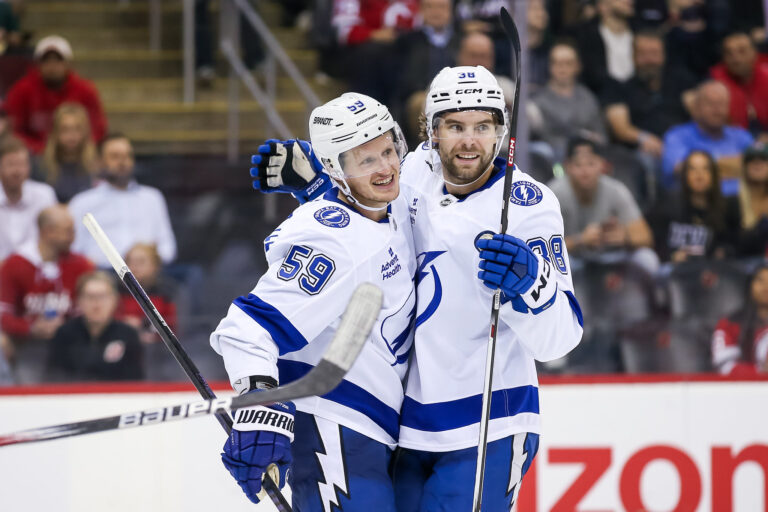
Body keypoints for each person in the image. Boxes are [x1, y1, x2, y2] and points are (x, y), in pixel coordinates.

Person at [254, 66, 584, 510]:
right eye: (455, 126)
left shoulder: (528, 204)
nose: (470, 141)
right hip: (407, 426)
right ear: (429, 129)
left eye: (483, 126)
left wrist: (532, 282)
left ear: (502, 131)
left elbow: (561, 339)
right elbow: (372, 243)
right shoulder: (408, 173)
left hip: (488, 424)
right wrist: (321, 188)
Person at [210, 93, 416, 509]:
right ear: (337, 171)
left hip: (377, 435)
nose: (386, 168)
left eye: (388, 151)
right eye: (365, 161)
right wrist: (259, 404)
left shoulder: (385, 211)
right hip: (336, 433)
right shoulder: (332, 241)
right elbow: (249, 329)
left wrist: (319, 188)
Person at [548, 136, 656, 271]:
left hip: (609, 256)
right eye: (578, 165)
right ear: (567, 167)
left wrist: (625, 236)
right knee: (554, 263)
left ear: (602, 166)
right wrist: (580, 240)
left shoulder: (616, 189)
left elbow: (646, 237)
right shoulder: (553, 194)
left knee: (646, 258)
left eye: (591, 164)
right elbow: (542, 246)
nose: (585, 171)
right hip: (572, 259)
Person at [68, 133, 177, 267]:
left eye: (127, 156)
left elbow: (168, 248)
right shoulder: (82, 202)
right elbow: (73, 250)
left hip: (147, 276)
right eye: (115, 156)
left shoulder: (152, 198)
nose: (123, 161)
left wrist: (150, 260)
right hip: (101, 273)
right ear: (100, 161)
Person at [602, 30, 697, 172]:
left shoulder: (682, 83)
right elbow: (620, 128)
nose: (649, 60)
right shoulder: (619, 88)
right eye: (643, 54)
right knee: (646, 161)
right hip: (645, 152)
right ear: (633, 57)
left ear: (664, 55)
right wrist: (643, 138)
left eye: (654, 54)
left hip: (683, 145)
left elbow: (700, 114)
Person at [0, 204, 93, 345]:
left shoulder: (81, 264)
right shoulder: (15, 264)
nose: (73, 237)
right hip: (24, 343)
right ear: (48, 232)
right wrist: (30, 327)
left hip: (71, 342)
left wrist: (66, 327)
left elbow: (89, 311)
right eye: (68, 231)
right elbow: (3, 313)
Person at [4, 35, 107, 154]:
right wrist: (40, 149)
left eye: (58, 60)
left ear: (68, 63)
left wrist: (81, 147)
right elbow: (14, 129)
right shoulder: (21, 90)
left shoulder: (86, 90)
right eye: (46, 60)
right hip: (35, 155)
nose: (52, 65)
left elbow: (98, 127)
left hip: (78, 154)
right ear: (37, 64)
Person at [47, 270, 144, 382]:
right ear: (79, 300)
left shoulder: (128, 335)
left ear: (114, 300)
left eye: (102, 296)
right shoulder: (64, 334)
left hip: (117, 397)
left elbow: (135, 381)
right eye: (90, 296)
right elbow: (55, 378)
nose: (96, 303)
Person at [662, 80, 754, 194]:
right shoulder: (677, 136)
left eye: (721, 103)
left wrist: (703, 167)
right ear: (696, 107)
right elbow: (682, 169)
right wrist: (737, 165)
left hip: (742, 206)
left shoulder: (741, 136)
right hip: (698, 206)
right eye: (710, 104)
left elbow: (758, 168)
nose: (717, 110)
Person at [649, 150, 740, 263]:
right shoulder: (667, 203)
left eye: (705, 169)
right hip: (671, 269)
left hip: (708, 272)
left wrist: (721, 253)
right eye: (693, 169)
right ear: (684, 175)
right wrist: (671, 256)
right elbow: (652, 240)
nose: (699, 175)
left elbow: (732, 246)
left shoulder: (726, 209)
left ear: (714, 175)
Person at [527, 41, 607, 163]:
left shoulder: (588, 97)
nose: (562, 69)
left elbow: (601, 136)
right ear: (550, 66)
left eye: (568, 63)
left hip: (588, 158)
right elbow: (542, 138)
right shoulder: (538, 100)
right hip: (553, 160)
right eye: (557, 63)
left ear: (578, 66)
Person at [0, 135, 56, 262]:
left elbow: (53, 238)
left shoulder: (44, 194)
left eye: (22, 164)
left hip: (36, 268)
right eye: (10, 164)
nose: (17, 171)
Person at [710, 31, 768, 140]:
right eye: (729, 53)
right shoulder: (714, 82)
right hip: (731, 142)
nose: (736, 59)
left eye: (742, 51)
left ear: (754, 53)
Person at [711, 264, 768, 375]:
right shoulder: (729, 324)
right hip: (744, 389)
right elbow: (725, 366)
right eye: (761, 281)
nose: (766, 287)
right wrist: (761, 372)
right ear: (749, 286)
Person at [116, 243, 177, 345]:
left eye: (141, 262)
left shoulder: (167, 293)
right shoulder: (116, 291)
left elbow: (173, 327)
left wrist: (142, 324)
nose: (134, 266)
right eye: (130, 261)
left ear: (155, 265)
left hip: (159, 349)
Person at [573, 0, 635, 96]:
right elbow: (592, 75)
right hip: (600, 97)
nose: (630, 1)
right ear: (602, 5)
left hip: (636, 98)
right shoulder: (586, 35)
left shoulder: (639, 33)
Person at [39, 102, 99, 203]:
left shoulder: (96, 167)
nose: (71, 135)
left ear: (85, 132)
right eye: (65, 129)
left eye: (77, 129)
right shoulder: (42, 167)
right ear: (55, 133)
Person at [737, 143, 768, 257]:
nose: (757, 164)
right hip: (744, 264)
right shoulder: (733, 203)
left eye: (763, 159)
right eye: (751, 160)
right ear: (744, 167)